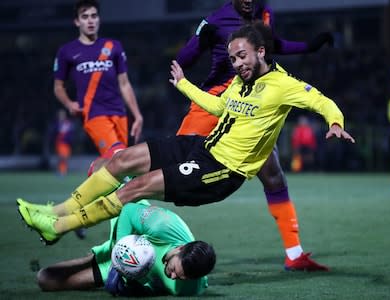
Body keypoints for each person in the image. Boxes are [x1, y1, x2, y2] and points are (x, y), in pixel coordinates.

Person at [17, 25, 354, 274]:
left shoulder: (283, 86)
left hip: (223, 171)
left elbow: (320, 100)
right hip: (203, 147)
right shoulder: (241, 81)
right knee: (123, 159)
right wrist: (184, 85)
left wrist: (335, 122)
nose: (236, 63)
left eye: (242, 56)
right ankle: (56, 211)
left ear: (261, 51)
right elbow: (220, 107)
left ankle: (59, 227)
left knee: (137, 187)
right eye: (233, 58)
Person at [175, 0, 334, 271]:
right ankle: (130, 206)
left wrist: (310, 46)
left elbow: (275, 46)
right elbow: (183, 59)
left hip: (252, 107)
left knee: (274, 178)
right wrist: (200, 37)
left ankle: (294, 255)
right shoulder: (217, 19)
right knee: (174, 160)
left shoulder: (265, 13)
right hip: (214, 102)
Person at [36, 202, 215, 296]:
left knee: (45, 279)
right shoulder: (164, 226)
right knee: (108, 173)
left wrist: (141, 290)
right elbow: (129, 211)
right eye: (176, 270)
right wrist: (119, 254)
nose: (175, 277)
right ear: (180, 248)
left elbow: (159, 288)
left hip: (130, 268)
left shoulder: (191, 286)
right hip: (130, 238)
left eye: (182, 277)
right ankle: (70, 216)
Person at [53, 0, 143, 156]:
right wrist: (68, 104)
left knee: (124, 162)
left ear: (99, 19)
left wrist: (137, 115)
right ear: (77, 21)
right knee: (116, 155)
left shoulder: (113, 46)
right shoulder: (67, 51)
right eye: (85, 16)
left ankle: (98, 176)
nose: (90, 20)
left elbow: (125, 84)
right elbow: (58, 86)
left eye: (94, 16)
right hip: (93, 113)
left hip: (119, 112)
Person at [54, 109, 74, 176]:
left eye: (62, 115)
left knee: (65, 157)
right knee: (61, 157)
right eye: (60, 115)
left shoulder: (67, 123)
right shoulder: (57, 123)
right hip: (60, 143)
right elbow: (55, 133)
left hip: (66, 143)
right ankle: (61, 170)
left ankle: (63, 171)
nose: (61, 116)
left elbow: (70, 133)